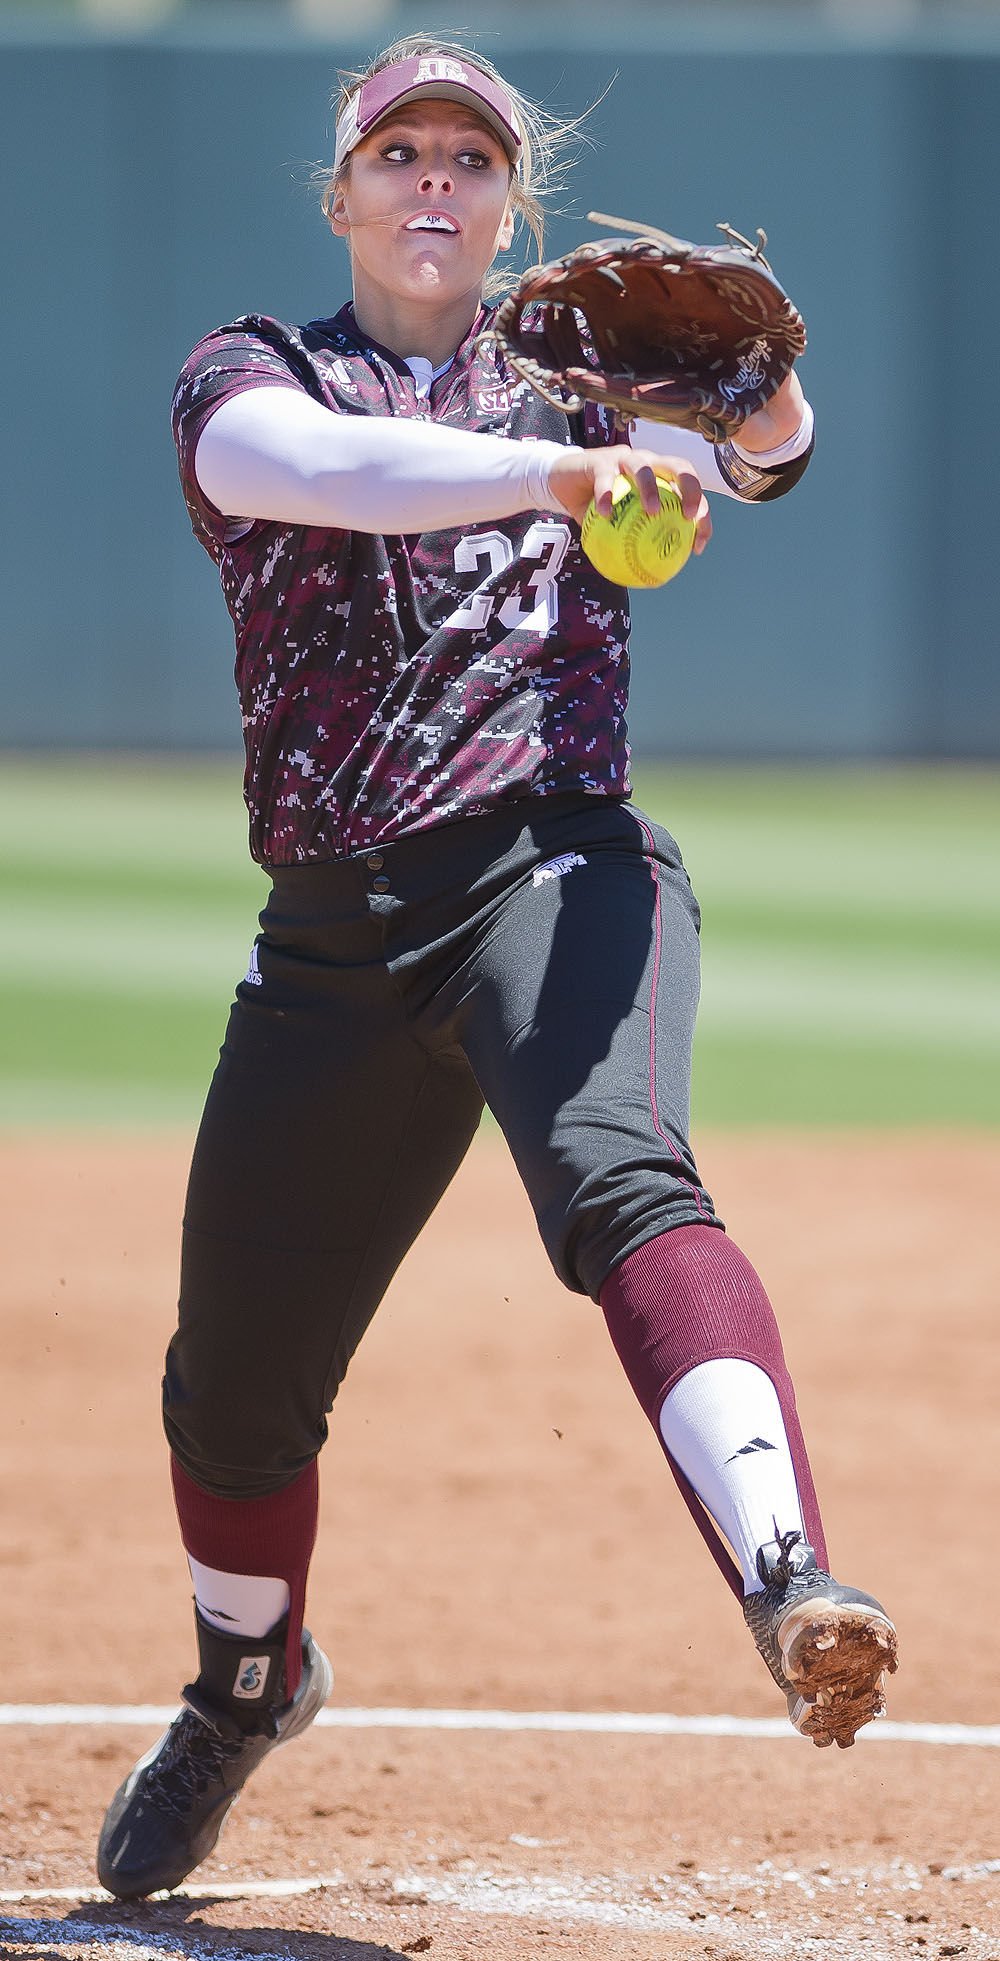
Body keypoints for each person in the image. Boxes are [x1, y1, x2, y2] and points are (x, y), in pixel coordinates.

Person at [97, 35, 897, 1902]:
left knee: (622, 1174)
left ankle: (795, 1583)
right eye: (401, 152)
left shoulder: (597, 383)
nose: (435, 179)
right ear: (345, 194)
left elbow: (770, 461)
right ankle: (245, 1686)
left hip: (557, 863)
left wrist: (757, 400)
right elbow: (311, 471)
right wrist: (567, 457)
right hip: (332, 934)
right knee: (232, 1390)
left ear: (510, 201)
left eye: (472, 153)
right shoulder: (258, 372)